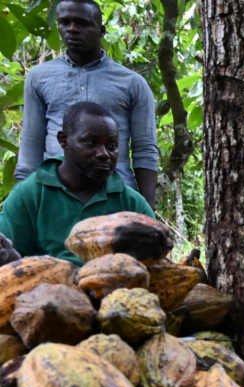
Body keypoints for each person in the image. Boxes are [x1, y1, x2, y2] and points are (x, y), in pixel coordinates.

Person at [16, 0, 157, 204]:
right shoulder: (39, 77)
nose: (72, 29)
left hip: (114, 194)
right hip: (53, 194)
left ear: (101, 30)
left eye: (82, 23)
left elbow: (145, 149)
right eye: (65, 22)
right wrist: (23, 200)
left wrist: (146, 209)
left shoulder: (133, 83)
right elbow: (31, 142)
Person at [0, 101, 154, 268]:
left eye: (112, 146)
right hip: (45, 290)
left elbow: (156, 264)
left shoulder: (132, 204)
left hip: (117, 291)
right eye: (90, 142)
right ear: (63, 140)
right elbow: (9, 260)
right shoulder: (30, 194)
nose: (103, 154)